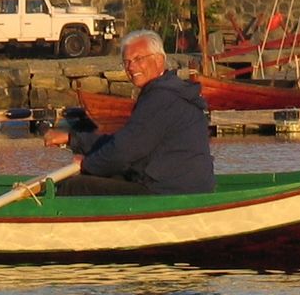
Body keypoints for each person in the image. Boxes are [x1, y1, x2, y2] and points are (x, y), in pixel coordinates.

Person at [44, 28, 214, 195]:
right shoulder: (167, 91)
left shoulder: (161, 97)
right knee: (104, 172)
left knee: (74, 186)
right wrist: (73, 139)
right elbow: (124, 141)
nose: (131, 67)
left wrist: (87, 165)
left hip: (169, 190)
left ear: (159, 60)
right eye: (127, 62)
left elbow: (123, 151)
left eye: (139, 59)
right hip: (179, 184)